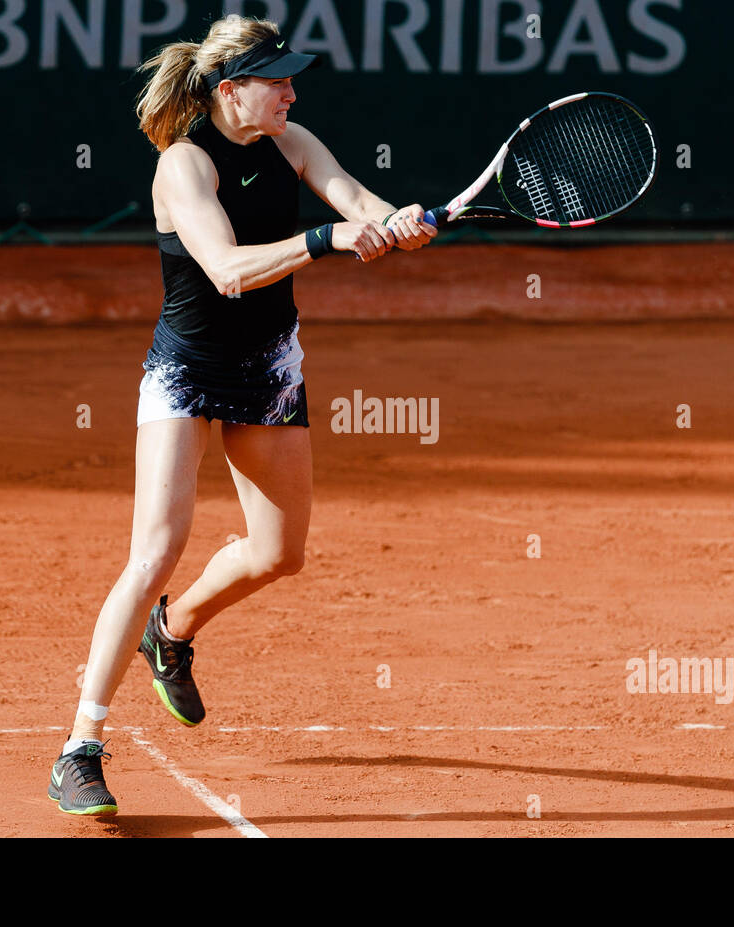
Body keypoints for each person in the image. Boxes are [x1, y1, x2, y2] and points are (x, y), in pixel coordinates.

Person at [47, 14, 437, 815]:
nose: (292, 92)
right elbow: (226, 269)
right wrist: (328, 239)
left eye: (293, 79)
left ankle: (175, 630)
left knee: (279, 553)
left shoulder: (293, 142)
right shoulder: (183, 166)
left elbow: (359, 197)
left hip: (268, 370)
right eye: (278, 81)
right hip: (187, 372)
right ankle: (78, 746)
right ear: (230, 91)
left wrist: (399, 221)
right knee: (155, 547)